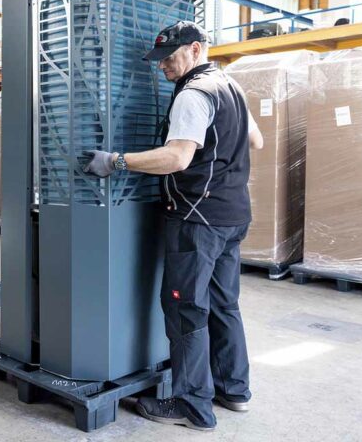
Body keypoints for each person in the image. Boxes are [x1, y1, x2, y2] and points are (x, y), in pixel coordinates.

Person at [82, 21, 264, 432]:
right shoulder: (230, 87)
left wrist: (116, 161)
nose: (163, 65)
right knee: (224, 305)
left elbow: (177, 158)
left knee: (186, 311)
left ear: (196, 49)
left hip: (197, 219)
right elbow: (256, 141)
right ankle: (234, 391)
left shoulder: (194, 95)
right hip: (232, 216)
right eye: (159, 59)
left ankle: (192, 407)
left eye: (170, 57)